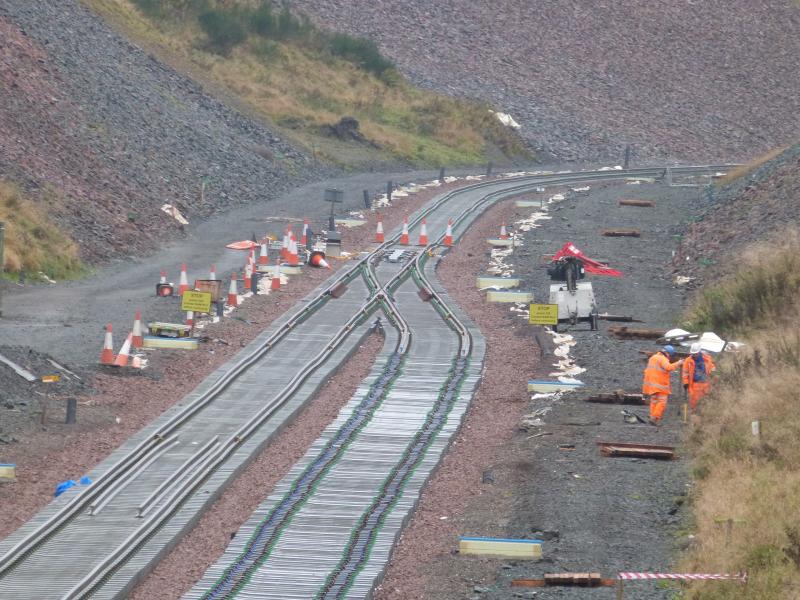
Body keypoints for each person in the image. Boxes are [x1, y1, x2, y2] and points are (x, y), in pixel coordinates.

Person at [642, 345, 684, 425]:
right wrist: (679, 363)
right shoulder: (663, 359)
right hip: (660, 385)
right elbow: (669, 367)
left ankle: (652, 417)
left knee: (654, 401)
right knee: (662, 402)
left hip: (651, 385)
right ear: (667, 353)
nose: (669, 357)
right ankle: (655, 418)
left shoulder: (653, 357)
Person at [682, 342, 716, 411]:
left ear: (699, 351)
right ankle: (694, 414)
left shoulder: (706, 358)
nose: (694, 355)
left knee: (705, 401)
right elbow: (685, 373)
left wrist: (714, 372)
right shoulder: (688, 361)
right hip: (695, 384)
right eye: (693, 353)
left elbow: (712, 367)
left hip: (706, 383)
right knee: (694, 401)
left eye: (696, 353)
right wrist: (685, 383)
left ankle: (704, 414)